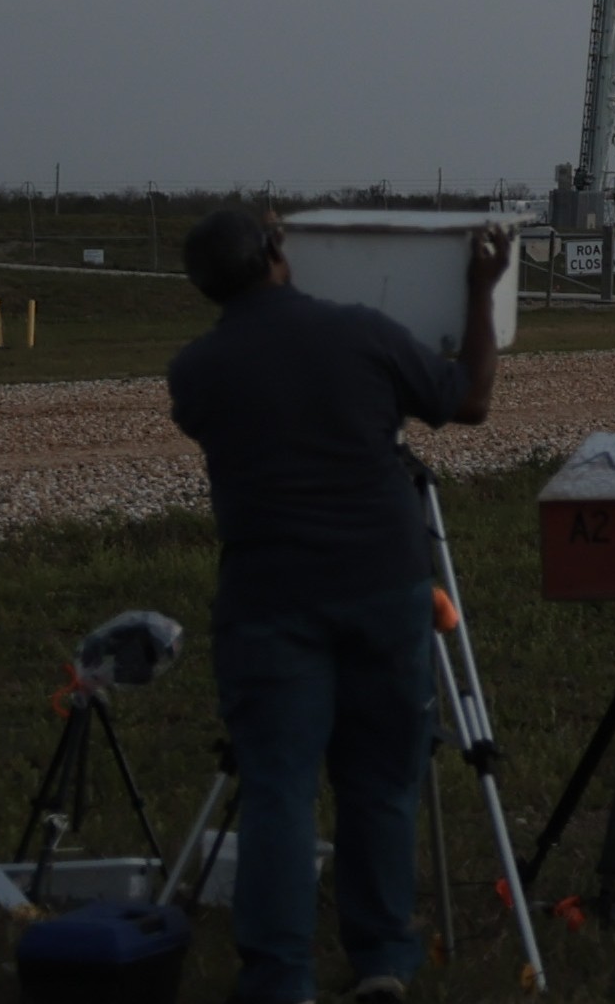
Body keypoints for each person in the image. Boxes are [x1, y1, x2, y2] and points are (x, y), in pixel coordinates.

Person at [163, 205, 500, 1004]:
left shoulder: (196, 370)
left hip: (268, 597)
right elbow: (471, 399)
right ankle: (382, 955)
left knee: (279, 787)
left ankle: (280, 977)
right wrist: (482, 292)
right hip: (384, 582)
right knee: (381, 779)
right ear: (279, 251)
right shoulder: (363, 333)